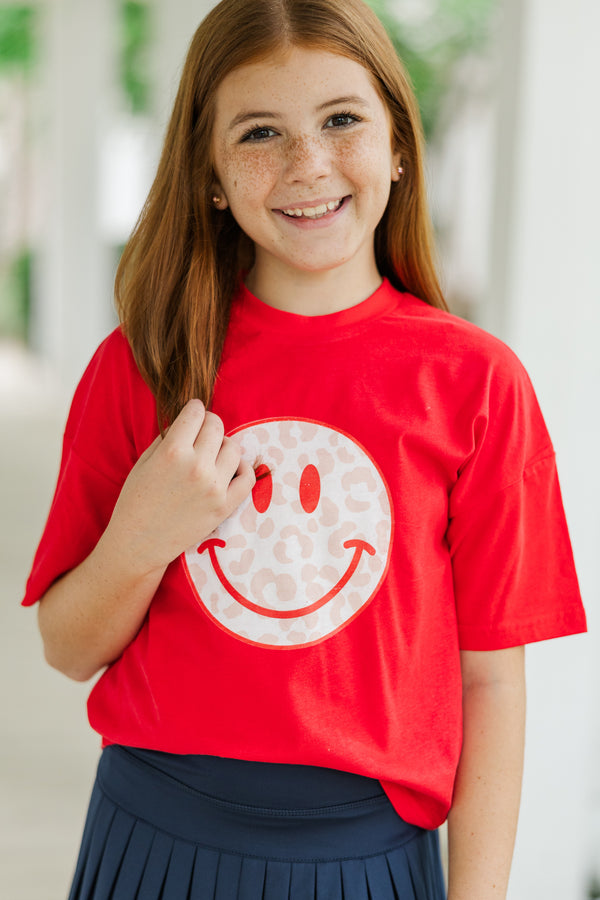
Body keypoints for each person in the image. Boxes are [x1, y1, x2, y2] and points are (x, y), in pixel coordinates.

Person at [23, 0, 586, 897]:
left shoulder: (476, 383)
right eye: (259, 133)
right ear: (209, 174)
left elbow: (492, 685)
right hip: (152, 839)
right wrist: (143, 535)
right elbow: (67, 644)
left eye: (341, 120)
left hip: (365, 858)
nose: (308, 165)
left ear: (400, 144)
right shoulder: (145, 364)